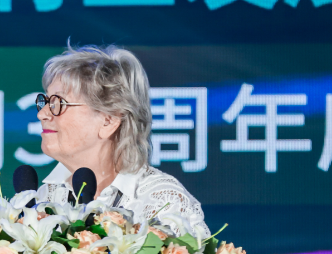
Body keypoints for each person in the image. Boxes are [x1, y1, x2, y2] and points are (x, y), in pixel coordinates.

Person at [34, 45, 211, 240]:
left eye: (58, 103)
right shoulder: (45, 197)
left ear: (108, 120)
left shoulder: (163, 204)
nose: (43, 114)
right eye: (45, 101)